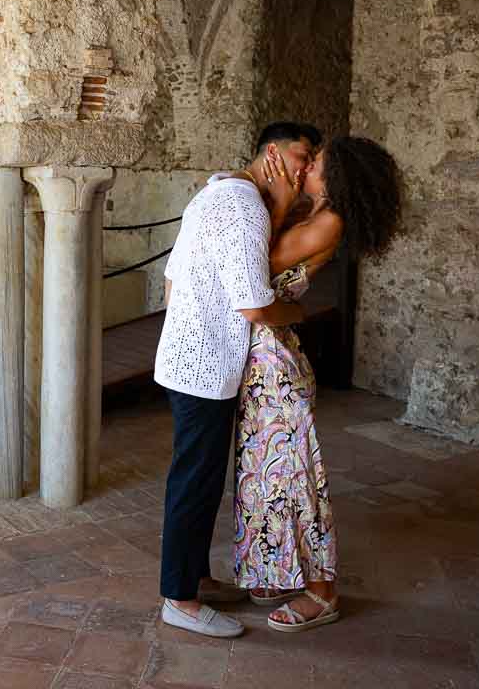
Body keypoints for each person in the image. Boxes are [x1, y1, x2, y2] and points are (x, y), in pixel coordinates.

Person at [154, 122, 320, 638]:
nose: (305, 167)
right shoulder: (243, 204)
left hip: (190, 358)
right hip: (205, 364)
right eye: (301, 155)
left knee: (198, 479)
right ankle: (178, 599)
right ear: (272, 153)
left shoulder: (220, 192)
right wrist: (298, 312)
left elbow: (170, 280)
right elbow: (254, 304)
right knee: (195, 482)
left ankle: (194, 578)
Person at [233, 134, 403, 632]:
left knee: (294, 478)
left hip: (276, 367)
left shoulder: (327, 221)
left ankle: (323, 592)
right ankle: (276, 567)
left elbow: (256, 256)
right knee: (264, 477)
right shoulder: (315, 214)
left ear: (337, 179)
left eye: (316, 166)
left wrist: (282, 197)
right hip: (263, 359)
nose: (305, 170)